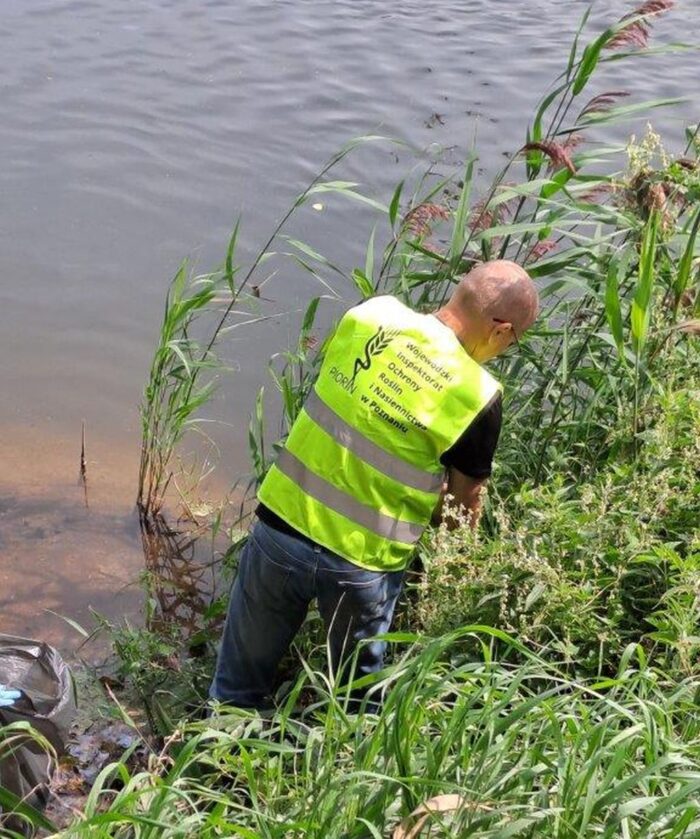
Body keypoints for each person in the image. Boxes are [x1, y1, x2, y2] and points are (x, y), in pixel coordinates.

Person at [210, 259, 539, 709]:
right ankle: (336, 773)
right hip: (361, 562)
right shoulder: (476, 393)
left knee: (235, 689)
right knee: (355, 708)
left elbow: (358, 413)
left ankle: (209, 759)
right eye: (512, 342)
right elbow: (464, 507)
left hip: (281, 527)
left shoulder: (371, 315)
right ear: (501, 330)